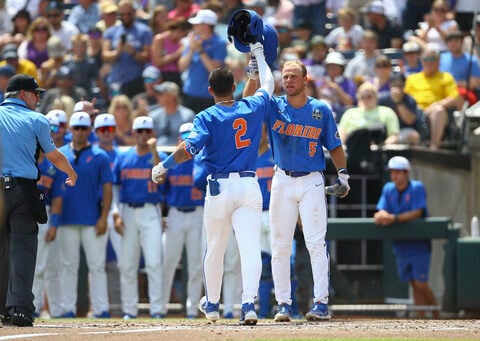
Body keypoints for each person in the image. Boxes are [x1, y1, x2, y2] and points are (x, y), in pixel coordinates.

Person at [152, 42, 274, 325]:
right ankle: (248, 305)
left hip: (219, 188)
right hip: (248, 185)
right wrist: (258, 56)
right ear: (234, 86)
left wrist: (162, 166)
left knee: (215, 248)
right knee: (249, 247)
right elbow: (268, 82)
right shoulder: (251, 106)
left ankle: (213, 306)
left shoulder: (206, 116)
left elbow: (186, 150)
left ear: (210, 91)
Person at [243, 59, 350, 322]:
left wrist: (344, 175)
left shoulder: (320, 109)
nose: (289, 80)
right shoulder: (274, 104)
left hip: (313, 179)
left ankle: (321, 302)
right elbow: (247, 104)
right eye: (285, 76)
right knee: (279, 245)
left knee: (316, 243)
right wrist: (254, 76)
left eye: (293, 76)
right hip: (282, 179)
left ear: (305, 79)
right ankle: (283, 304)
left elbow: (334, 145)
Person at [0, 74, 77, 326]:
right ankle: (20, 310)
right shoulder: (37, 119)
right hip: (22, 190)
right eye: (35, 93)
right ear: (23, 94)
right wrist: (71, 172)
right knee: (22, 250)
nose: (38, 98)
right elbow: (53, 156)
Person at [57, 111, 113, 318]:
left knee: (97, 266)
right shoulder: (60, 154)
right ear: (71, 129)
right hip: (65, 220)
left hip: (92, 220)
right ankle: (67, 308)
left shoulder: (100, 155)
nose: (80, 132)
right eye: (77, 128)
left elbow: (108, 188)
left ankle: (101, 309)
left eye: (84, 128)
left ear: (89, 131)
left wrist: (104, 217)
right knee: (67, 266)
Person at [112, 116, 165, 319]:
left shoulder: (157, 156)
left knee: (153, 262)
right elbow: (114, 187)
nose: (143, 135)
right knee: (128, 264)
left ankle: (158, 309)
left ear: (152, 133)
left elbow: (161, 179)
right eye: (140, 131)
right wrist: (115, 213)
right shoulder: (123, 157)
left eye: (147, 131)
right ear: (134, 133)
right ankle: (129, 310)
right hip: (127, 211)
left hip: (150, 210)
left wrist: (154, 151)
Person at [374, 156, 440, 319]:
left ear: (406, 173)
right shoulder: (389, 188)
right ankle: (421, 317)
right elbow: (381, 209)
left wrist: (393, 218)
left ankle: (437, 315)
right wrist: (381, 215)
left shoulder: (417, 187)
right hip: (401, 244)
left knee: (421, 284)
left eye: (398, 172)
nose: (394, 175)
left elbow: (417, 212)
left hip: (419, 244)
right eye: (392, 172)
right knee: (412, 282)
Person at [158, 122, 204, 319]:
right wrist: (162, 215)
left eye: (189, 137)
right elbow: (162, 191)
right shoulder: (171, 162)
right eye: (183, 137)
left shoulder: (201, 159)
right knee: (168, 263)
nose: (186, 141)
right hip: (175, 213)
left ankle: (192, 309)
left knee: (195, 265)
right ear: (178, 139)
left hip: (197, 213)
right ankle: (159, 308)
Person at [31, 115, 65, 318]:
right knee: (36, 265)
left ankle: (53, 308)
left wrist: (54, 224)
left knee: (50, 265)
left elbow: (57, 198)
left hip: (46, 213)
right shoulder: (26, 161)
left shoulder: (53, 165)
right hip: (26, 213)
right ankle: (32, 305)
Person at [404, 48, 460, 149]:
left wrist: (436, 105)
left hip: (438, 113)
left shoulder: (446, 77)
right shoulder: (412, 78)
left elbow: (454, 98)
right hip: (416, 113)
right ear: (421, 60)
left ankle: (434, 147)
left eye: (432, 59)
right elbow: (406, 98)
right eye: (426, 58)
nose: (429, 62)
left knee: (438, 111)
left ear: (439, 61)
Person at [178, 9, 227, 114]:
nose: (194, 26)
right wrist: (191, 49)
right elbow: (181, 66)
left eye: (197, 24)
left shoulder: (219, 43)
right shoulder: (193, 41)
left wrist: (200, 50)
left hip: (208, 97)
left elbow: (214, 70)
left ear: (206, 25)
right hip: (189, 94)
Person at [102, 0, 153, 98]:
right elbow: (105, 55)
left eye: (128, 14)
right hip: (116, 81)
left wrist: (133, 52)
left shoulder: (145, 31)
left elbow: (147, 56)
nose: (125, 17)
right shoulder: (111, 31)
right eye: (122, 14)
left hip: (136, 81)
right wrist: (117, 52)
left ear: (134, 12)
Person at [378, 72, 429, 145]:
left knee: (414, 136)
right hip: (386, 131)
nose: (397, 88)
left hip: (403, 131)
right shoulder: (382, 99)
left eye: (400, 85)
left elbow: (410, 121)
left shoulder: (409, 99)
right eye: (395, 85)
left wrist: (398, 102)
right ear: (390, 85)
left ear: (404, 85)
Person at [149, 81, 195, 146]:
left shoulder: (188, 115)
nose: (157, 96)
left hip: (180, 152)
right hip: (158, 152)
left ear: (171, 96)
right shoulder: (153, 115)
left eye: (160, 94)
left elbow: (190, 139)